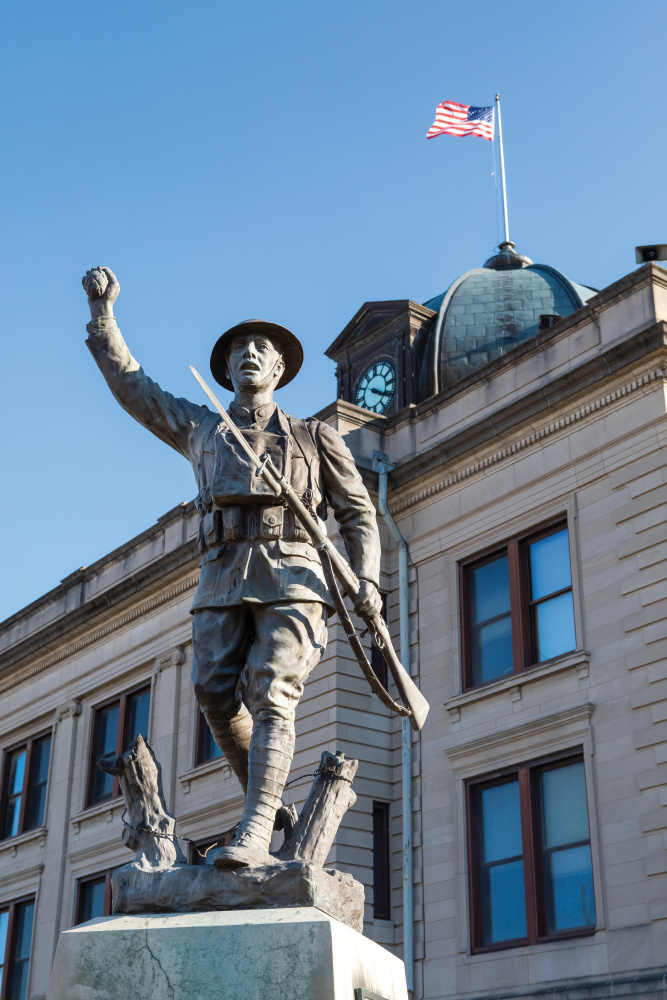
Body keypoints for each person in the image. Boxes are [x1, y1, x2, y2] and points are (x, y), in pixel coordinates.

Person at [83, 266, 382, 868]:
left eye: (262, 350)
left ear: (277, 372)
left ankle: (252, 832)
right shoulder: (202, 428)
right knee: (213, 692)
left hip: (294, 574)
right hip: (221, 575)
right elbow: (134, 387)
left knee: (274, 691)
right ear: (226, 372)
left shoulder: (315, 436)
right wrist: (103, 317)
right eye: (240, 349)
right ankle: (269, 805)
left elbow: (359, 513)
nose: (250, 353)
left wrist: (367, 578)